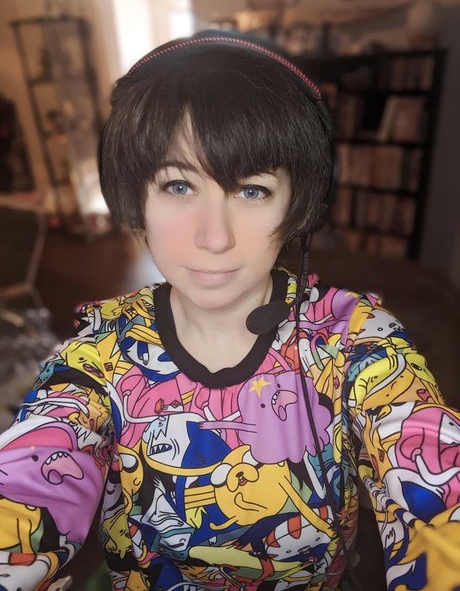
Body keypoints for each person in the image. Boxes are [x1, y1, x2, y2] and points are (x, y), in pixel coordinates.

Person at [0, 30, 459, 591]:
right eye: (178, 185)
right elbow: (27, 481)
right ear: (134, 196)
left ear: (301, 204)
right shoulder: (97, 356)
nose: (213, 238)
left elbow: (436, 485)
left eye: (252, 191)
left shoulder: (356, 342)